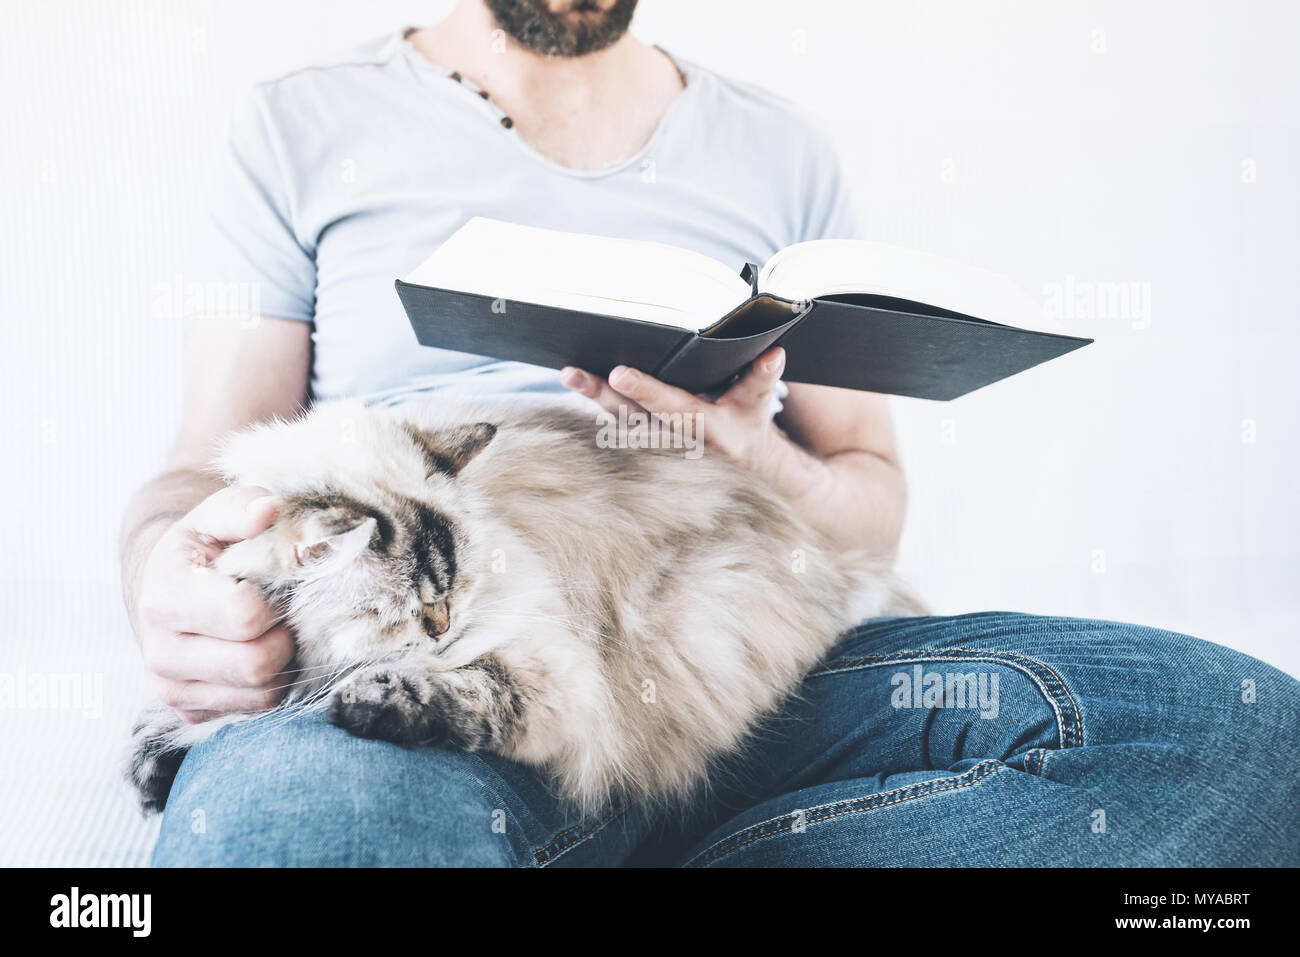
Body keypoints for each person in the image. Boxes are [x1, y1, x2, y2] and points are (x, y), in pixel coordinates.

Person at [122, 0, 1298, 866]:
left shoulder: (778, 149)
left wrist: (751, 449)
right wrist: (166, 590)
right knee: (308, 833)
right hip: (442, 664)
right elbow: (198, 470)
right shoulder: (302, 124)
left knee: (1233, 738)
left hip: (740, 667)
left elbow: (870, 504)